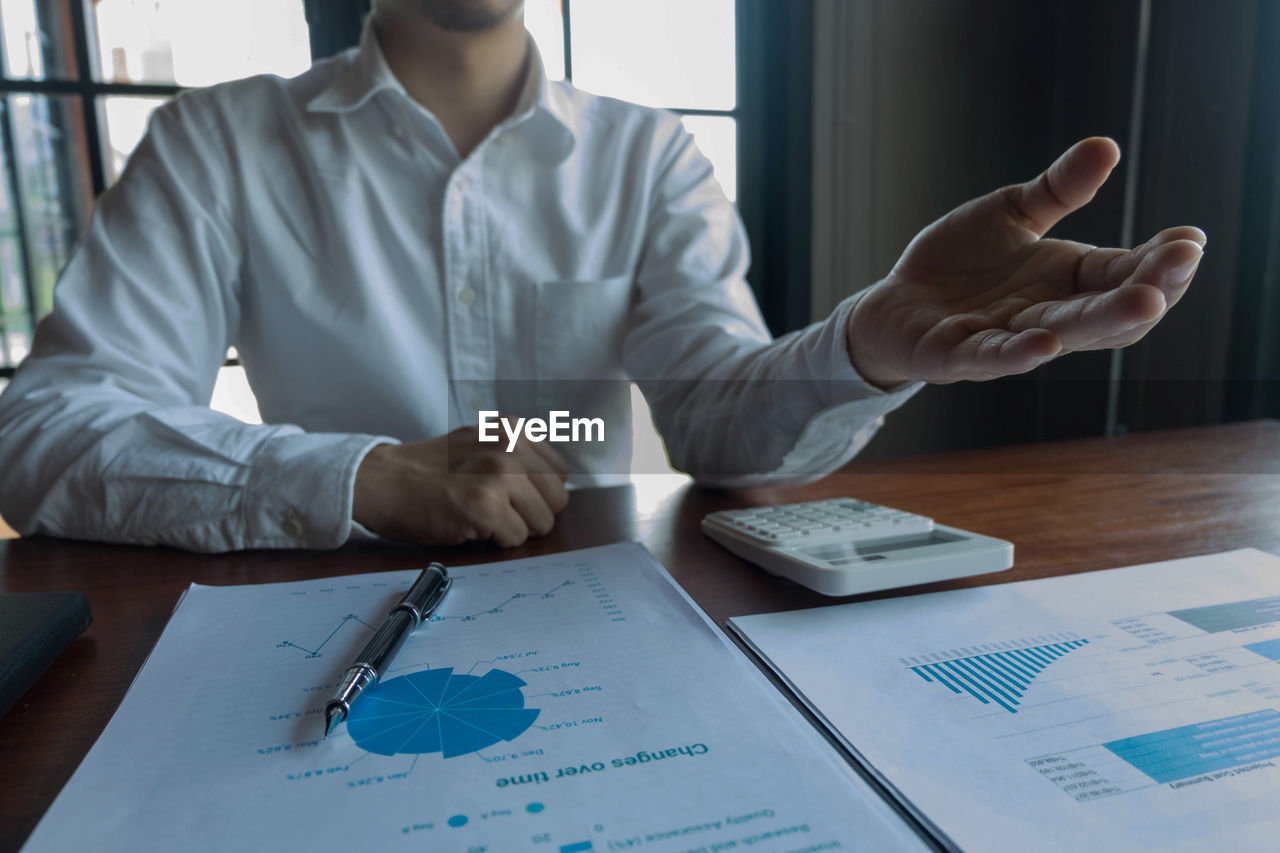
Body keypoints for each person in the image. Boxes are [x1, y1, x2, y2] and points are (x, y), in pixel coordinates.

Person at [0, 0, 1205, 553]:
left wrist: (862, 346)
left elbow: (714, 420)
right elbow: (44, 430)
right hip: (316, 595)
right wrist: (360, 474)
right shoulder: (218, 139)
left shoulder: (647, 151)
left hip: (607, 603)